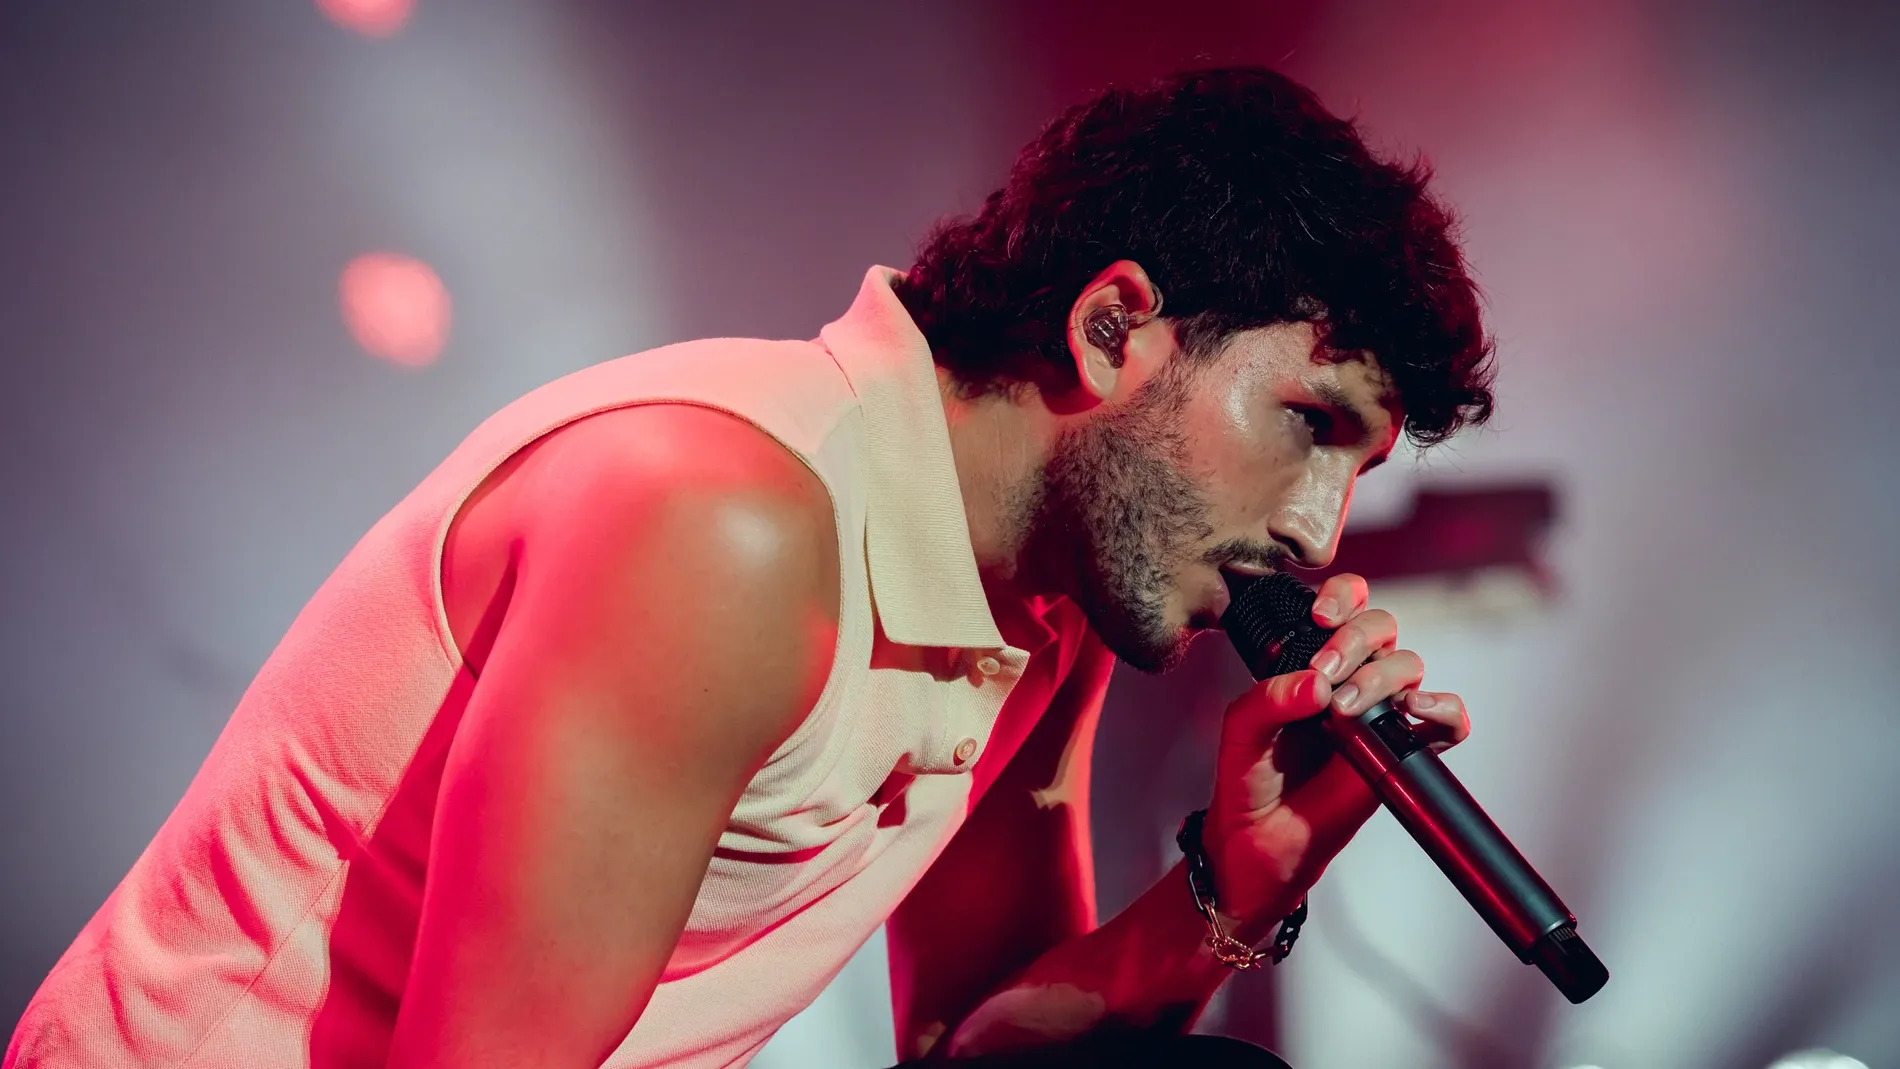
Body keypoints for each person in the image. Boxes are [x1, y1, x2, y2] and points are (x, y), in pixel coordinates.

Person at [4, 66, 1494, 1069]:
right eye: (1309, 425)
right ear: (1116, 332)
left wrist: (1236, 883)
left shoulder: (1041, 598)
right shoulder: (720, 522)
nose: (1318, 531)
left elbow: (972, 1045)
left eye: (1357, 470)